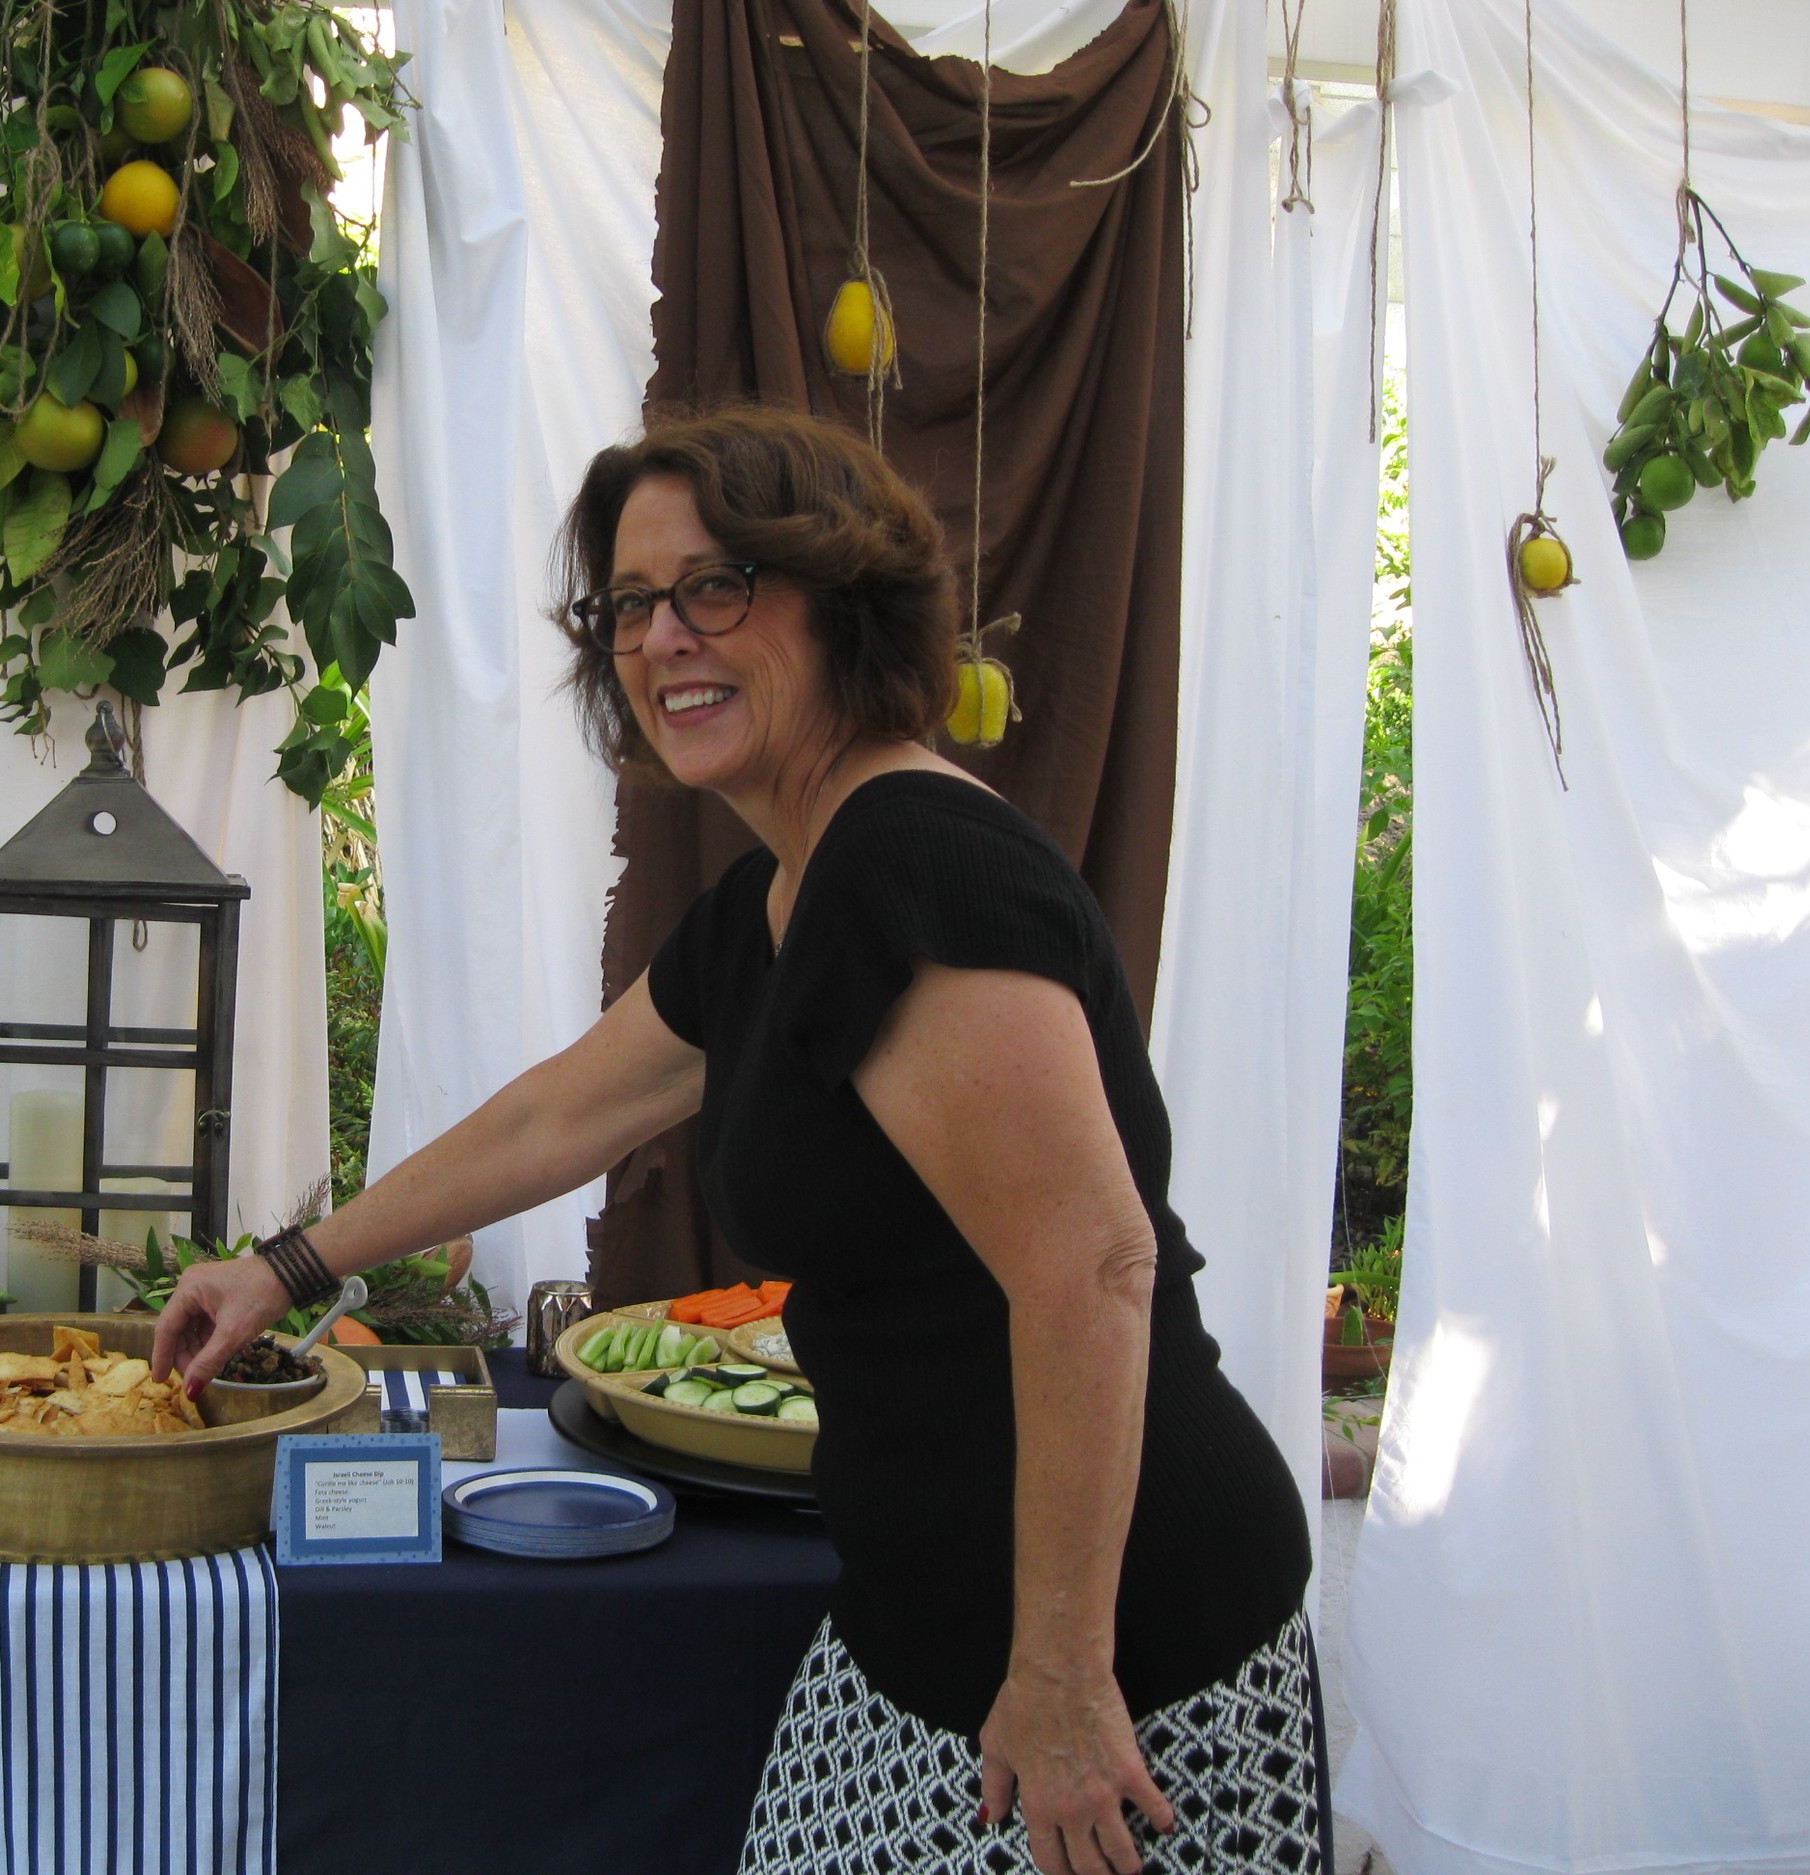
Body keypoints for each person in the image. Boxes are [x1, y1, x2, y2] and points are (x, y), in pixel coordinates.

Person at [153, 406, 1320, 1875]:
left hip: (1118, 1665)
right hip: (920, 1633)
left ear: (839, 603)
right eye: (633, 603)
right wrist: (291, 1261)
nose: (663, 639)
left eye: (717, 586)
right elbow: (561, 1113)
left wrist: (1068, 1679)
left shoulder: (909, 863)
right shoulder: (781, 896)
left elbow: (1094, 1273)